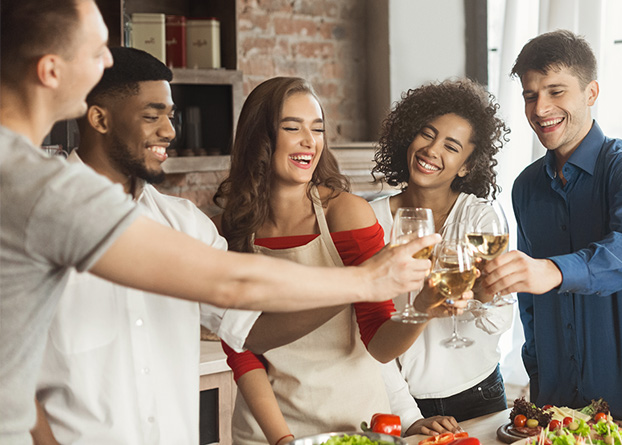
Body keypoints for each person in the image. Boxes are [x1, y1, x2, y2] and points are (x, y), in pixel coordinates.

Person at [0, 0, 435, 443]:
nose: (170, 131)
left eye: (170, 116)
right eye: (96, 52)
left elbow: (248, 327)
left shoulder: (185, 221)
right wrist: (366, 280)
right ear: (54, 73)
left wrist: (376, 291)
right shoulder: (37, 189)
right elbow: (234, 284)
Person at [212, 76, 468, 445]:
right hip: (265, 431)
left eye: (317, 129)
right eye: (291, 127)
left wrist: (425, 306)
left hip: (355, 427)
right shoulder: (226, 231)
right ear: (260, 137)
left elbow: (379, 345)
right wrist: (283, 440)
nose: (309, 141)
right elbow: (243, 350)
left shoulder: (346, 214)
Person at [483, 29, 622, 422]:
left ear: (591, 93)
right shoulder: (525, 186)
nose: (540, 108)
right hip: (554, 404)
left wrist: (553, 270)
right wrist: (537, 374)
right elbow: (529, 306)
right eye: (530, 95)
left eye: (556, 91)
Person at [370, 79, 514, 435]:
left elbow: (500, 315)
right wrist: (407, 414)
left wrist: (482, 293)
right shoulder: (369, 220)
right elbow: (364, 333)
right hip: (398, 400)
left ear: (466, 166)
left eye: (451, 146)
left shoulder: (480, 218)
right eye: (426, 135)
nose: (431, 150)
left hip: (480, 393)